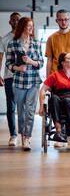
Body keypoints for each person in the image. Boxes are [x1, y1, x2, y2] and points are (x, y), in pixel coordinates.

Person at [45, 9, 70, 146]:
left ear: (69, 20)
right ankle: (61, 133)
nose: (64, 22)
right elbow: (50, 60)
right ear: (57, 21)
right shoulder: (52, 38)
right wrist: (48, 80)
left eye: (66, 19)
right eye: (61, 19)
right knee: (58, 101)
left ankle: (68, 134)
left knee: (69, 100)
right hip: (58, 77)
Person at [6, 17, 44, 151]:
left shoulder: (37, 43)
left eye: (32, 26)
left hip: (34, 82)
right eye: (28, 26)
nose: (31, 29)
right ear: (22, 27)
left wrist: (30, 62)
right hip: (18, 82)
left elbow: (41, 63)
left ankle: (27, 138)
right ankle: (22, 134)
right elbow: (8, 63)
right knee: (20, 112)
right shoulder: (13, 44)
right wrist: (17, 68)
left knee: (30, 110)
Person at [0, 12, 21, 146]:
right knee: (10, 106)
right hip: (9, 76)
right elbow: (0, 57)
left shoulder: (25, 37)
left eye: (18, 20)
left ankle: (24, 134)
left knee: (23, 107)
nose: (15, 22)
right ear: (10, 22)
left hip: (23, 77)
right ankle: (13, 135)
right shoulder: (4, 38)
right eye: (13, 20)